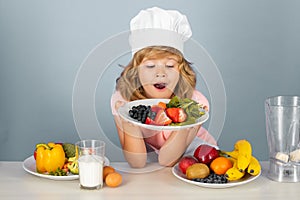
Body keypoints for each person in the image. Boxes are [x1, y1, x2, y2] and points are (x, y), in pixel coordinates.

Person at [111, 7, 216, 168]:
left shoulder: (195, 103)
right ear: (135, 71)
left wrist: (187, 121)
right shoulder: (122, 100)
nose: (160, 73)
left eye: (169, 65)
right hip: (157, 167)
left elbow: (167, 161)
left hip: (198, 158)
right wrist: (128, 121)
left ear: (181, 70)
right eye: (151, 65)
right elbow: (137, 162)